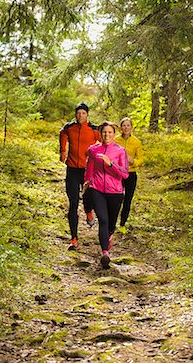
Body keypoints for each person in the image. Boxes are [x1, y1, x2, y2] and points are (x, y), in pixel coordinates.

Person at [83, 121, 129, 269]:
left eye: (109, 132)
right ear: (100, 133)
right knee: (103, 220)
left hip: (115, 191)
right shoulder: (93, 150)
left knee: (110, 224)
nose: (106, 135)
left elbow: (125, 174)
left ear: (114, 134)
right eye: (104, 132)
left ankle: (109, 235)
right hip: (97, 189)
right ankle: (105, 253)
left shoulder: (120, 151)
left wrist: (111, 164)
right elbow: (89, 168)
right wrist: (87, 182)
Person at [59, 102, 101, 250]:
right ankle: (74, 239)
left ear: (87, 115)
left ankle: (89, 212)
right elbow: (62, 133)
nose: (80, 115)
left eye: (83, 113)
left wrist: (100, 158)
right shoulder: (69, 127)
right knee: (73, 204)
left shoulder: (94, 129)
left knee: (88, 199)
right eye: (78, 113)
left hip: (87, 170)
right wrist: (62, 150)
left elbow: (104, 143)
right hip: (72, 169)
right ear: (75, 114)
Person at [115, 117, 143, 228]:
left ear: (131, 127)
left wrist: (134, 161)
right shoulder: (116, 140)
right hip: (118, 174)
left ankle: (122, 224)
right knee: (117, 198)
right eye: (124, 125)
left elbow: (141, 159)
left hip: (131, 174)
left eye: (128, 125)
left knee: (127, 200)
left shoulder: (136, 142)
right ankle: (112, 222)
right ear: (121, 127)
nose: (126, 128)